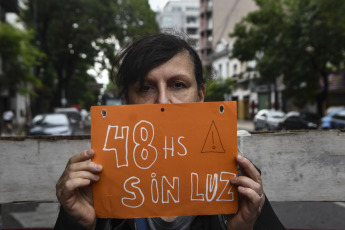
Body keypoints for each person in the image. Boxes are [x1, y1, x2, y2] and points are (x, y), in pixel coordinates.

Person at [54, 33, 285, 230]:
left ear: (200, 96)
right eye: (146, 88)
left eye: (178, 85)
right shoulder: (97, 183)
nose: (163, 101)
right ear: (126, 102)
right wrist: (77, 223)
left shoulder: (238, 178)